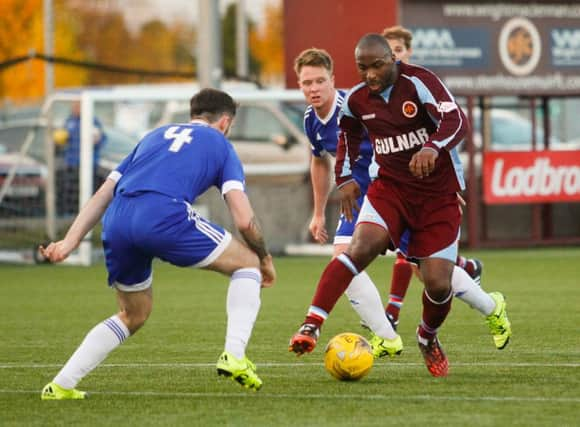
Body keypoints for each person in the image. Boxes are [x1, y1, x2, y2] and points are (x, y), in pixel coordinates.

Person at [40, 88, 276, 399]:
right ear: (224, 122)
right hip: (164, 214)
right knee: (246, 265)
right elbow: (244, 219)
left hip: (118, 219)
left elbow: (103, 194)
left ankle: (60, 385)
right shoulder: (221, 144)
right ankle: (234, 355)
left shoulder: (154, 135)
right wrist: (263, 257)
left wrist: (69, 243)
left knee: (133, 313)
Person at [290, 33, 476, 377]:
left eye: (376, 66)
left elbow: (458, 121)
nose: (370, 75)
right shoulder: (358, 100)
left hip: (437, 196)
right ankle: (312, 324)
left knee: (437, 283)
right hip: (389, 190)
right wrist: (344, 179)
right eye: (363, 69)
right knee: (359, 247)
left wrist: (433, 147)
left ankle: (427, 336)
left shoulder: (420, 82)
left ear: (392, 59)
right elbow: (346, 136)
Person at [380, 25, 500, 339]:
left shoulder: (422, 84)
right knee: (424, 265)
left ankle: (393, 314)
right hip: (398, 186)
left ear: (408, 52)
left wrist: (450, 186)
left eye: (399, 50)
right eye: (387, 51)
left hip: (431, 188)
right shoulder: (376, 93)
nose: (393, 56)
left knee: (423, 266)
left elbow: (450, 130)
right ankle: (468, 272)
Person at [295, 48, 402, 359]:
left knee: (430, 267)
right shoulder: (310, 120)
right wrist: (317, 214)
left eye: (319, 81)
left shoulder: (353, 108)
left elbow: (395, 135)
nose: (313, 88)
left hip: (391, 189)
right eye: (306, 83)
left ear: (333, 80)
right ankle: (387, 336)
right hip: (356, 197)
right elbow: (319, 163)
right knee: (343, 259)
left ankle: (487, 301)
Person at [55, 101, 107, 215]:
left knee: (88, 191)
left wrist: (97, 140)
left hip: (88, 164)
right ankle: (69, 215)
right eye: (73, 106)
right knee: (70, 191)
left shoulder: (92, 121)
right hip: (71, 162)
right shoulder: (69, 121)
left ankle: (89, 215)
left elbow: (102, 139)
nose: (74, 109)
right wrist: (60, 141)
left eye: (77, 106)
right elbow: (62, 139)